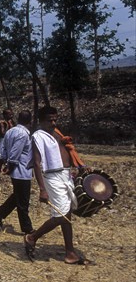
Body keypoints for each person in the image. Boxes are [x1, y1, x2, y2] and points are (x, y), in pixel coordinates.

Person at [24, 106, 92, 265]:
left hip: (66, 175)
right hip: (52, 177)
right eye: (49, 120)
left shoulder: (57, 133)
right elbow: (36, 163)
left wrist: (81, 166)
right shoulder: (38, 137)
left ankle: (70, 252)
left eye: (55, 119)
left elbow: (68, 152)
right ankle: (32, 237)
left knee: (66, 215)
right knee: (61, 214)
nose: (53, 123)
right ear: (41, 121)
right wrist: (42, 189)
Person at [0, 110, 35, 234]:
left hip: (18, 171)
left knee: (17, 197)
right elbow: (15, 153)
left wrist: (4, 161)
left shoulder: (10, 132)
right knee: (23, 201)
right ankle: (27, 228)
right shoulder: (23, 134)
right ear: (30, 121)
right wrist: (11, 165)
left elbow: (4, 149)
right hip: (22, 171)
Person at [0, 109, 15, 180]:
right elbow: (3, 133)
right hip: (3, 142)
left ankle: (10, 173)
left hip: (10, 141)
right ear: (5, 115)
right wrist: (8, 126)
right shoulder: (2, 123)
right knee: (1, 159)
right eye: (9, 114)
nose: (11, 115)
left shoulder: (11, 122)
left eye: (11, 114)